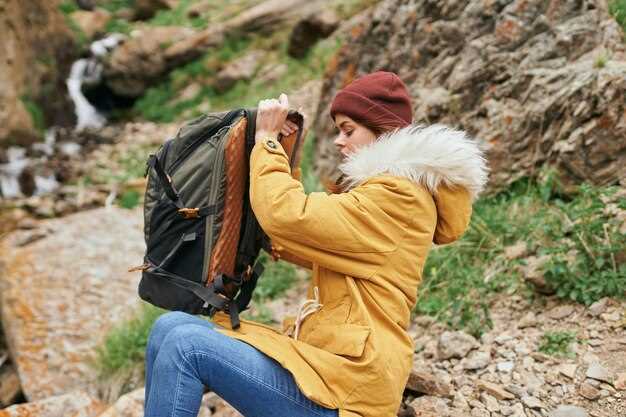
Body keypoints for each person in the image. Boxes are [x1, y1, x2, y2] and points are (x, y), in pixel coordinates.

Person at [143, 70, 489, 417]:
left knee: (185, 346)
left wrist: (266, 141)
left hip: (347, 394)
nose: (339, 141)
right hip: (324, 371)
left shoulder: (399, 199)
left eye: (348, 130)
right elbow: (295, 235)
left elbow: (286, 216)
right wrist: (281, 155)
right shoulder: (385, 195)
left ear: (384, 132)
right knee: (169, 327)